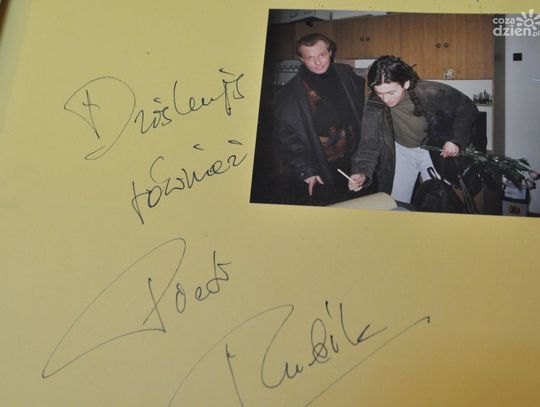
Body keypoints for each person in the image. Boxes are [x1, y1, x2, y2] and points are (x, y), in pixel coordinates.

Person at [348, 55, 479, 205]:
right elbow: (369, 142)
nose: (386, 99)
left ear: (406, 83)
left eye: (391, 92)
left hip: (432, 150)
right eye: (380, 93)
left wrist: (456, 140)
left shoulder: (432, 92)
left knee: (438, 199)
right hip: (400, 152)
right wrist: (361, 172)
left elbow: (467, 110)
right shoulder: (374, 105)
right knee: (396, 203)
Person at [273, 33, 368, 206]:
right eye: (310, 58)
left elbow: (360, 115)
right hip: (319, 166)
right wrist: (306, 169)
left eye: (322, 55)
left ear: (330, 53)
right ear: (301, 59)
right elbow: (287, 138)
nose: (318, 62)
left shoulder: (347, 76)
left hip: (353, 160)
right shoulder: (289, 95)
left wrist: (362, 163)